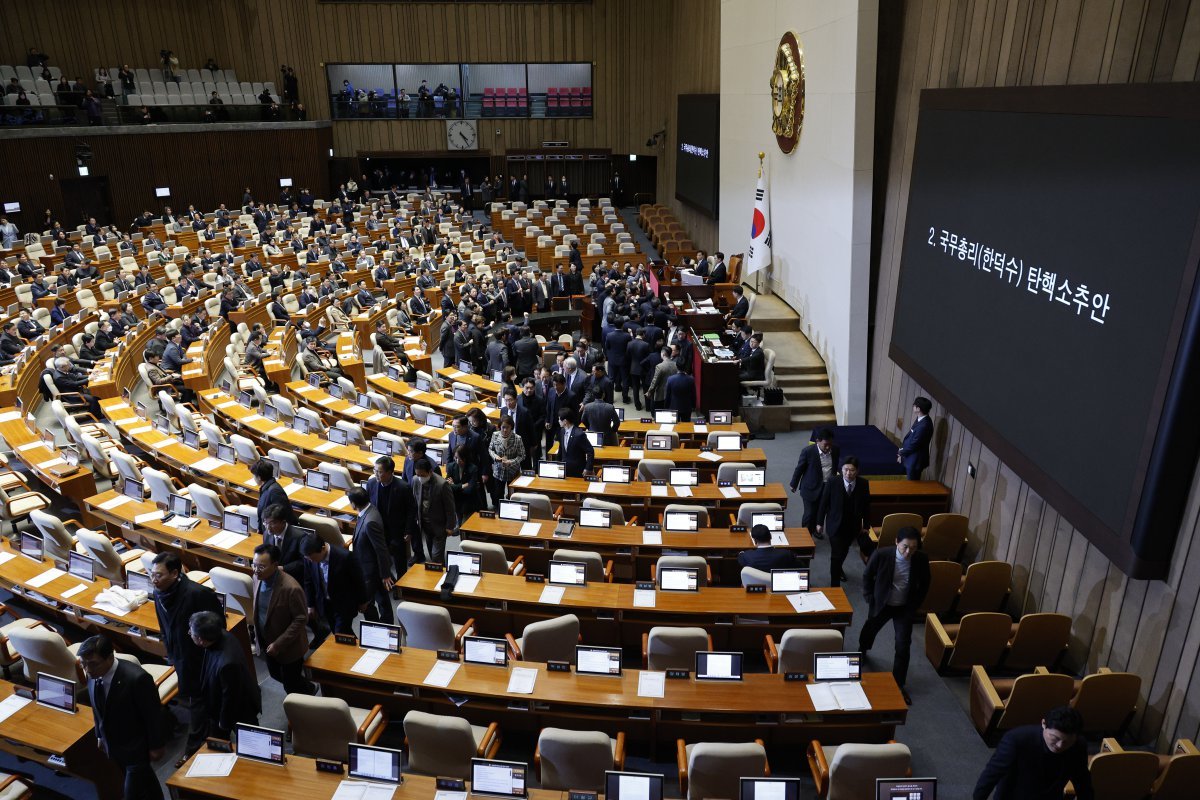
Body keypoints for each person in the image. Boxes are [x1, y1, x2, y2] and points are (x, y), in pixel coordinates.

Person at [151, 552, 223, 765]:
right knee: (200, 702)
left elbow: (218, 626)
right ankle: (211, 739)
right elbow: (164, 626)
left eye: (158, 575)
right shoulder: (158, 593)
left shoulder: (197, 594)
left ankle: (194, 748)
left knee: (200, 703)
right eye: (152, 575)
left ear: (175, 573)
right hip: (180, 658)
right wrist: (170, 652)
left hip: (202, 659)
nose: (154, 580)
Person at [77, 635, 165, 800]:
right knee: (146, 784)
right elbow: (97, 708)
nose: (87, 669)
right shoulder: (93, 673)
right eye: (84, 664)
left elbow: (153, 715)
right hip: (113, 745)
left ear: (110, 657)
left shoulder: (137, 678)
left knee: (131, 793)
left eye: (93, 664)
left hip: (136, 746)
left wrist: (156, 746)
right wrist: (99, 734)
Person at [858, 526, 930, 700]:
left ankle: (899, 684)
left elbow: (925, 583)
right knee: (870, 630)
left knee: (903, 645)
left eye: (913, 548)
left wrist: (915, 605)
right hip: (882, 603)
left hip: (904, 607)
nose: (908, 552)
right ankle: (862, 651)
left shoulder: (920, 559)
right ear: (896, 542)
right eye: (905, 546)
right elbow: (867, 575)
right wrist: (869, 597)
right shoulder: (882, 555)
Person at [973, 706, 1093, 800]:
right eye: (1055, 738)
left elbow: (1082, 781)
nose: (1060, 745)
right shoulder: (1016, 739)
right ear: (1043, 724)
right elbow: (991, 774)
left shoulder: (1078, 745)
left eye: (1067, 742)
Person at [250, 543, 315, 695]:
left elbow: (301, 619)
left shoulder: (290, 588)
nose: (255, 570)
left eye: (261, 567)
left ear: (275, 565)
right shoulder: (256, 578)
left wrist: (279, 644)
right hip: (266, 641)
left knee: (290, 686)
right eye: (254, 565)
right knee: (275, 674)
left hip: (288, 646)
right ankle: (308, 687)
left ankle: (306, 702)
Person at [190, 610, 261, 741]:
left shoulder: (227, 663)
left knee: (251, 741)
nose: (189, 634)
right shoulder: (221, 634)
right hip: (223, 702)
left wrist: (224, 723)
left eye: (191, 633)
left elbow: (231, 698)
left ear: (201, 639)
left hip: (239, 709)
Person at [301, 534, 365, 647]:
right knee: (338, 632)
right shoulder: (309, 557)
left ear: (323, 548)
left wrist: (363, 601)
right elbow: (308, 581)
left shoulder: (345, 557)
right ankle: (358, 649)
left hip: (344, 604)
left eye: (312, 557)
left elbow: (359, 581)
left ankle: (358, 653)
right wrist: (310, 604)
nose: (311, 561)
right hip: (325, 603)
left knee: (340, 633)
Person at [815, 456, 871, 587]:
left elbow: (866, 506)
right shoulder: (833, 481)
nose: (848, 473)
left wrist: (866, 525)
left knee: (844, 550)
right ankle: (834, 585)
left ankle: (838, 567)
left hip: (853, 526)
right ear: (842, 469)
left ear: (857, 471)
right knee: (836, 553)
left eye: (852, 470)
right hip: (835, 525)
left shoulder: (863, 484)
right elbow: (823, 503)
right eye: (846, 469)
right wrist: (819, 522)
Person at [347, 487, 396, 623]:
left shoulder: (370, 522)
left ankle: (375, 626)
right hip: (371, 565)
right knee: (382, 597)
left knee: (367, 603)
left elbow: (381, 549)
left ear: (354, 503)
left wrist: (385, 574)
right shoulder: (369, 510)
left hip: (371, 569)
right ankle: (387, 623)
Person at [365, 455, 414, 577]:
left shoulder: (403, 487)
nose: (375, 474)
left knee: (399, 561)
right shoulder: (371, 484)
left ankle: (401, 586)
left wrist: (408, 530)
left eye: (379, 472)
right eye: (374, 470)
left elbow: (411, 510)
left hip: (397, 531)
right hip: (378, 529)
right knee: (381, 557)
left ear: (390, 472)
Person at [790, 428, 841, 537]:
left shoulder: (835, 450)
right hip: (810, 487)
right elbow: (800, 468)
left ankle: (816, 530)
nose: (828, 447)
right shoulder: (808, 451)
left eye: (830, 444)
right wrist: (794, 483)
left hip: (827, 486)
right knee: (809, 513)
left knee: (821, 511)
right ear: (818, 441)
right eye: (825, 444)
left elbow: (835, 467)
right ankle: (805, 536)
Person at [412, 457, 456, 565]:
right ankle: (441, 570)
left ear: (430, 472)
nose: (420, 478)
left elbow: (450, 507)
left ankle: (440, 576)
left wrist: (450, 527)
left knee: (436, 556)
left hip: (439, 525)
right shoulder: (415, 480)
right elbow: (415, 499)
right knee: (432, 553)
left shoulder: (442, 484)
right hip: (425, 524)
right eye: (418, 475)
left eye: (422, 475)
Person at [261, 502, 306, 582]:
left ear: (283, 522)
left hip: (293, 579)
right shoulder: (266, 535)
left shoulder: (299, 537)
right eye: (265, 523)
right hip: (273, 577)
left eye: (272, 523)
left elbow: (303, 562)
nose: (268, 528)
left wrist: (284, 568)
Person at [488, 414, 526, 510]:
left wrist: (511, 462)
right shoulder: (495, 435)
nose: (505, 430)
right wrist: (495, 457)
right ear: (499, 427)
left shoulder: (518, 438)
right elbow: (490, 449)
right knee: (498, 494)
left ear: (511, 427)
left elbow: (522, 455)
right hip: (498, 471)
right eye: (503, 427)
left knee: (512, 495)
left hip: (512, 471)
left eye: (507, 427)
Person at [898, 396, 934, 480]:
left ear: (918, 409)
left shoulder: (924, 426)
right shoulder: (921, 419)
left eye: (914, 405)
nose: (913, 406)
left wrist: (901, 452)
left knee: (912, 486)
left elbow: (914, 444)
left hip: (915, 461)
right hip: (910, 457)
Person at [445, 444, 483, 522]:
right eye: (455, 458)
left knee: (467, 524)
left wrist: (453, 485)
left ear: (465, 457)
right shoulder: (451, 467)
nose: (457, 461)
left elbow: (469, 490)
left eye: (460, 459)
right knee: (459, 523)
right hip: (456, 502)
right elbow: (447, 487)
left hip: (469, 503)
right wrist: (461, 486)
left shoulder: (473, 469)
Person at [253, 459, 291, 533]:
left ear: (259, 477)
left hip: (275, 532)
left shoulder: (275, 491)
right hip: (267, 530)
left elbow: (281, 515)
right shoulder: (265, 487)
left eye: (254, 475)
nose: (253, 478)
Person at [555, 409, 593, 477]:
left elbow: (590, 451)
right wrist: (557, 464)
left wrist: (588, 468)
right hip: (564, 469)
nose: (558, 421)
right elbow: (561, 449)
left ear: (565, 421)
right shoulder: (562, 431)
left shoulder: (579, 434)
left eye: (559, 419)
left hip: (577, 471)